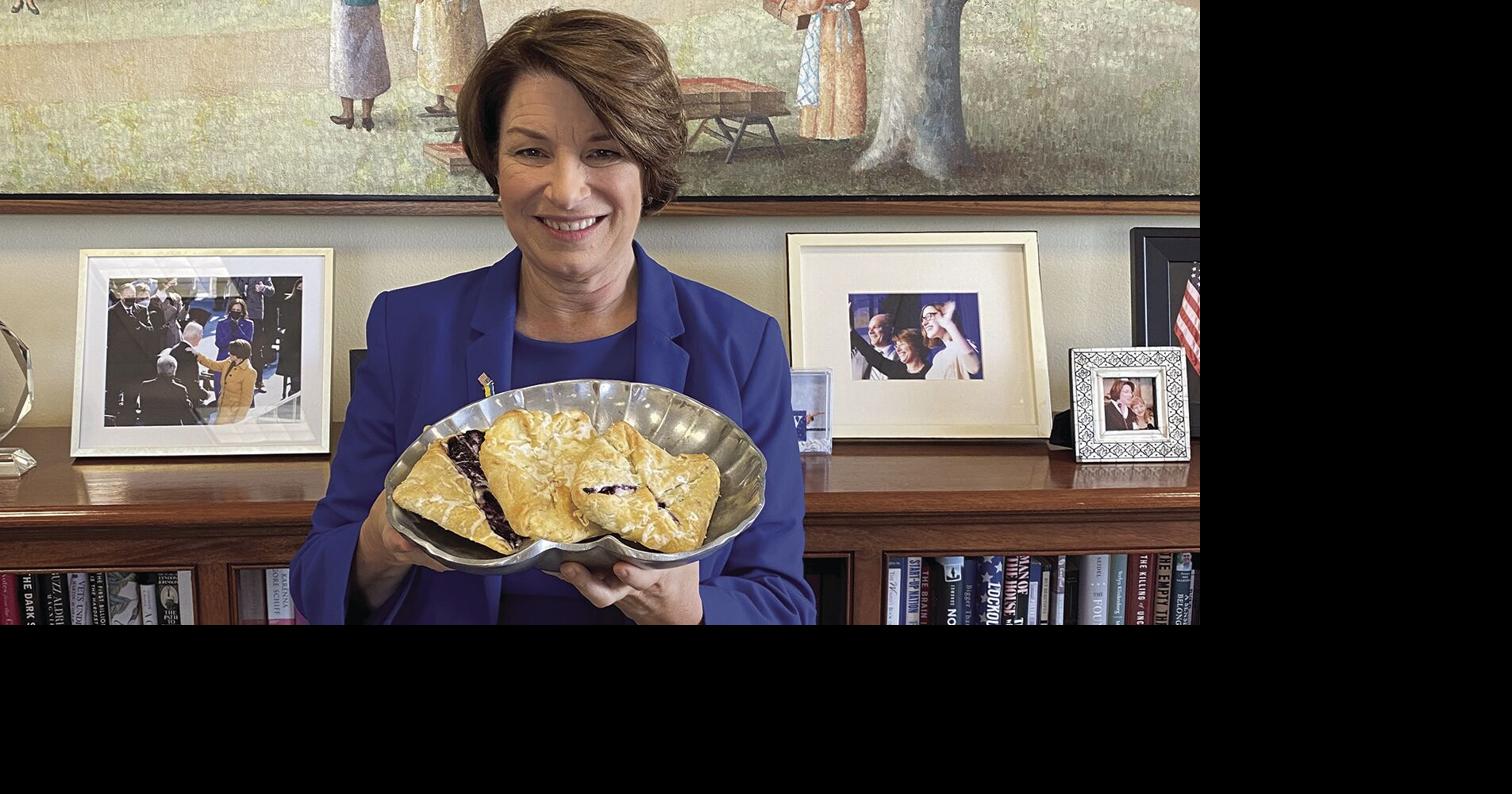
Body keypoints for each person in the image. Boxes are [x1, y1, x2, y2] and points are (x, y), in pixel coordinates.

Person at [290, 9, 816, 626]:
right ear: (494, 166)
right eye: (531, 150)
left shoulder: (740, 343)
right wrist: (385, 541)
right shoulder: (407, 328)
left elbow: (782, 603)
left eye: (604, 151)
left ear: (649, 167)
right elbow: (317, 582)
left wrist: (688, 611)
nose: (566, 190)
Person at [792, 0, 869, 140]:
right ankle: (821, 131)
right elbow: (809, 4)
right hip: (825, 26)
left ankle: (847, 130)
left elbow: (863, 3)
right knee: (824, 78)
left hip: (848, 27)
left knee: (849, 80)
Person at [413, 0, 487, 116]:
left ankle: (465, 104)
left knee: (456, 55)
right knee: (438, 54)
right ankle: (441, 102)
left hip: (455, 10)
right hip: (437, 9)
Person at [329, 0, 392, 131]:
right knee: (368, 59)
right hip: (368, 6)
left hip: (348, 7)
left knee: (346, 60)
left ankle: (349, 113)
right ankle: (366, 116)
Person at [196, 339, 256, 425]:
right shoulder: (229, 362)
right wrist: (198, 356)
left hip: (233, 413)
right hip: (222, 407)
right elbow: (214, 365)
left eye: (231, 352)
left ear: (239, 355)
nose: (229, 353)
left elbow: (246, 399)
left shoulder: (250, 372)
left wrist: (238, 419)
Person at [920, 301, 981, 380]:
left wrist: (948, 324)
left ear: (944, 315)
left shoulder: (963, 346)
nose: (924, 323)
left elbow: (974, 367)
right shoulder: (938, 357)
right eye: (923, 319)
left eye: (929, 316)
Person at [137, 357, 203, 427]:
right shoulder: (180, 389)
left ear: (158, 368)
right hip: (173, 428)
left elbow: (143, 407)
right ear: (174, 370)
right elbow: (186, 413)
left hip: (151, 426)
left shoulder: (145, 386)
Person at [850, 312, 895, 380]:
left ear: (891, 329)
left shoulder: (904, 356)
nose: (870, 332)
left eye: (875, 327)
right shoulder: (857, 353)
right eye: (869, 328)